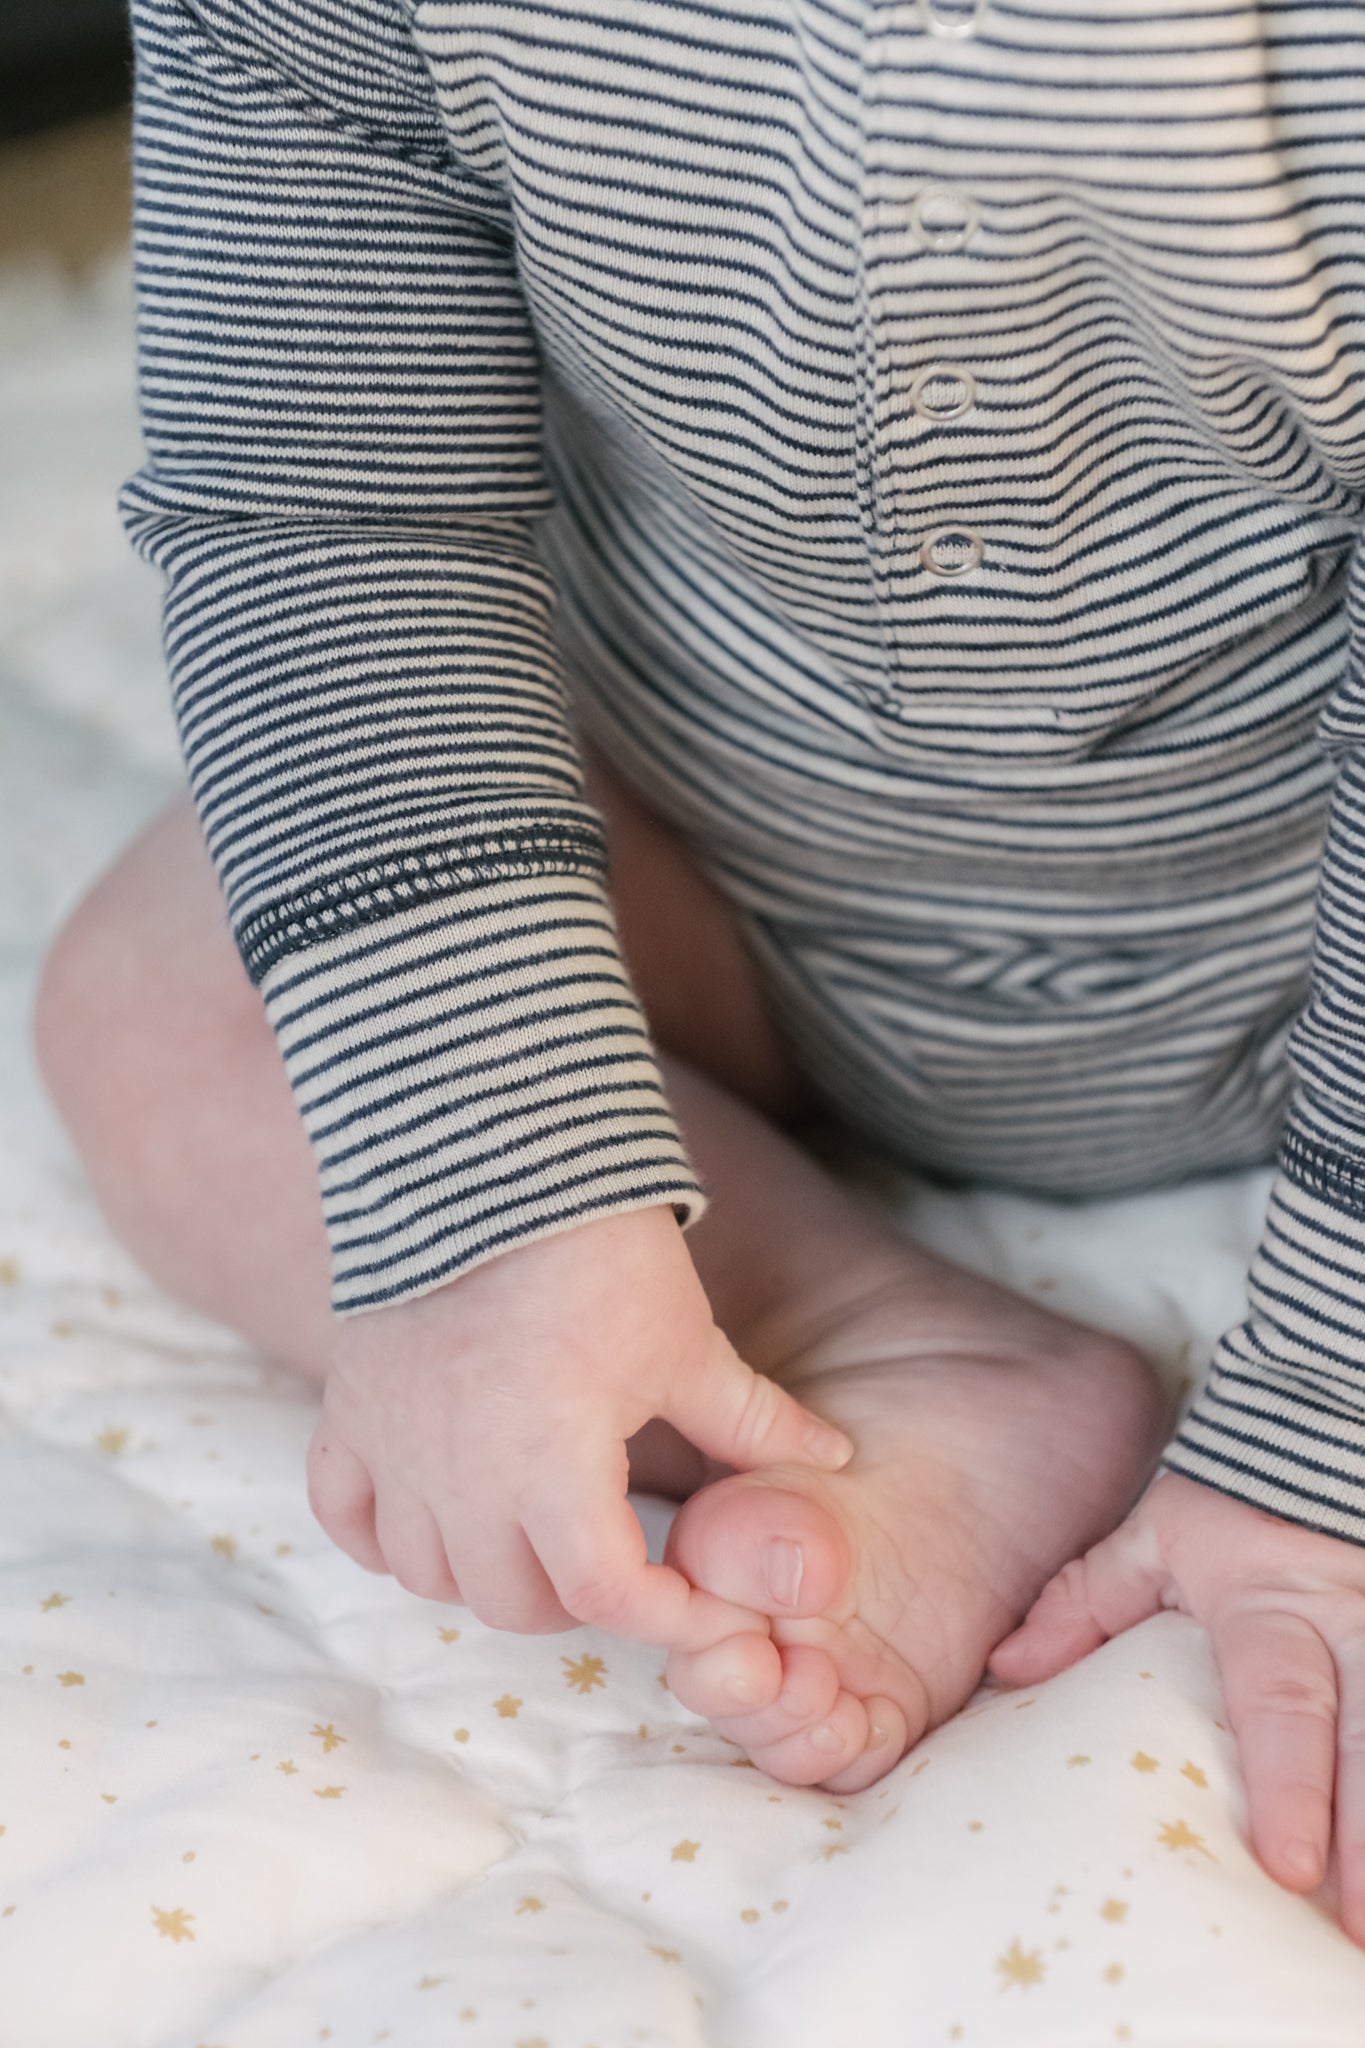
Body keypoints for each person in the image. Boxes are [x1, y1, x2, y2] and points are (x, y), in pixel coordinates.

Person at [31, 0, 1365, 1935]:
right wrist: (500, 1190)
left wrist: (1325, 1446)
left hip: (1301, 898)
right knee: (158, 1011)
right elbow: (330, 498)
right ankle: (888, 1345)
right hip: (702, 847)